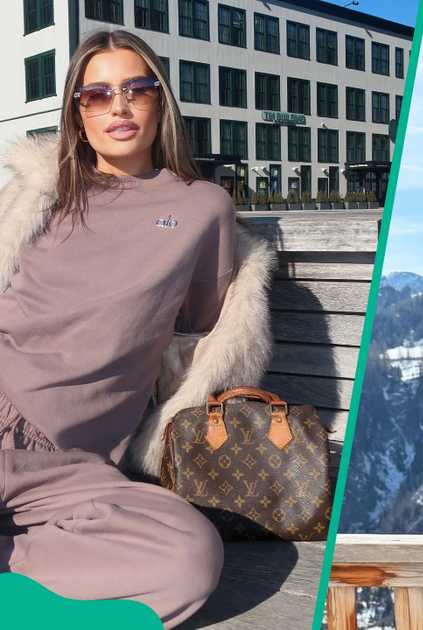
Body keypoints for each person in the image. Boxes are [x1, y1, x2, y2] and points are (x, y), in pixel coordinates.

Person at [0, 29, 274, 627]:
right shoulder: (41, 193)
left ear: (159, 101)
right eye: (97, 95)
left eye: (136, 89)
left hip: (73, 467)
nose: (118, 107)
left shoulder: (201, 208)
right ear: (77, 114)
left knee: (188, 560)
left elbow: (199, 331)